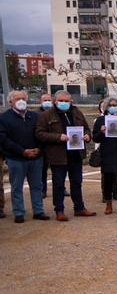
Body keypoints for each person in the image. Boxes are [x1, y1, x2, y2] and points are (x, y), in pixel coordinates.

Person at [35, 90, 96, 221]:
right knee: (58, 184)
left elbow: (86, 128)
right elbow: (39, 134)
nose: (64, 103)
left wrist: (87, 136)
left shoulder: (77, 112)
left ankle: (79, 208)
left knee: (77, 182)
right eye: (61, 101)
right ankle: (59, 210)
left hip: (76, 154)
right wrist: (58, 137)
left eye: (66, 101)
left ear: (71, 101)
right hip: (58, 156)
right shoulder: (46, 115)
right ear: (55, 101)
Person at [0, 91, 49, 223]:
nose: (21, 101)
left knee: (37, 186)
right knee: (16, 187)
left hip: (36, 158)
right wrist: (22, 151)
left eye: (23, 98)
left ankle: (38, 211)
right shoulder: (4, 118)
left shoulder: (35, 116)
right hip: (16, 159)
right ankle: (19, 212)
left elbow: (41, 133)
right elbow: (4, 139)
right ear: (11, 102)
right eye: (17, 99)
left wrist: (39, 148)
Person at [92, 98, 117, 215]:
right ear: (106, 107)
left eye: (115, 105)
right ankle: (108, 204)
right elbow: (95, 137)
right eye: (110, 105)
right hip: (107, 153)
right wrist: (101, 132)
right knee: (108, 180)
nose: (113, 107)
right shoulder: (100, 120)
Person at [38, 92, 54, 199]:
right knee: (42, 170)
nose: (47, 102)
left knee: (58, 170)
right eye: (45, 100)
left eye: (49, 100)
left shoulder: (56, 113)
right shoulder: (36, 114)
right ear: (41, 101)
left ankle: (62, 188)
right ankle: (42, 190)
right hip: (42, 147)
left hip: (55, 147)